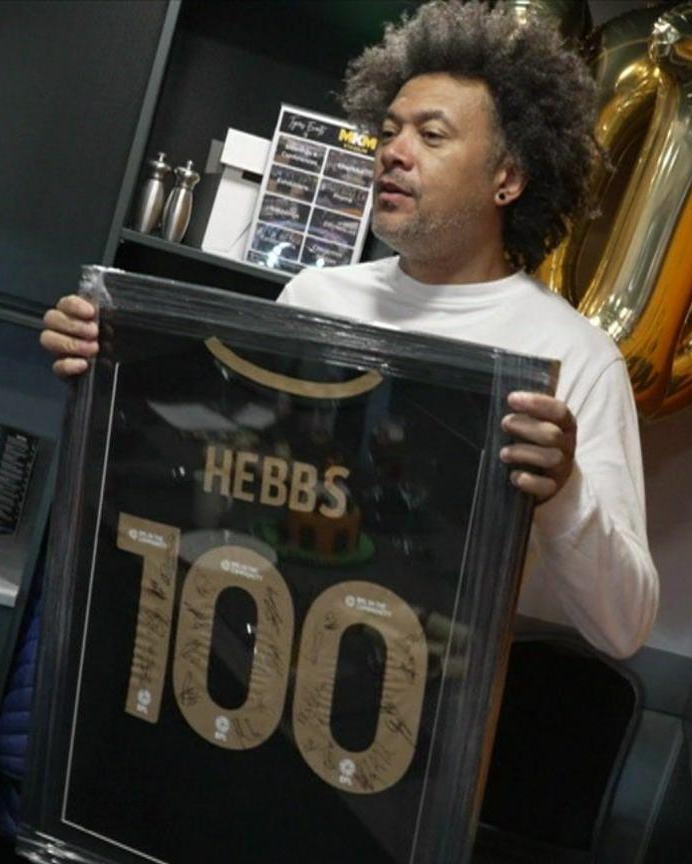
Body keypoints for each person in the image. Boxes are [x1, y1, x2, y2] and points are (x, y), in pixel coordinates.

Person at [41, 0, 657, 659]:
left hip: (410, 719)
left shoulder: (574, 357)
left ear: (506, 178)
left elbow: (624, 627)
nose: (393, 152)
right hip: (242, 654)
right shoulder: (315, 296)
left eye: (431, 135)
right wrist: (111, 361)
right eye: (389, 130)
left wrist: (565, 490)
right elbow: (228, 469)